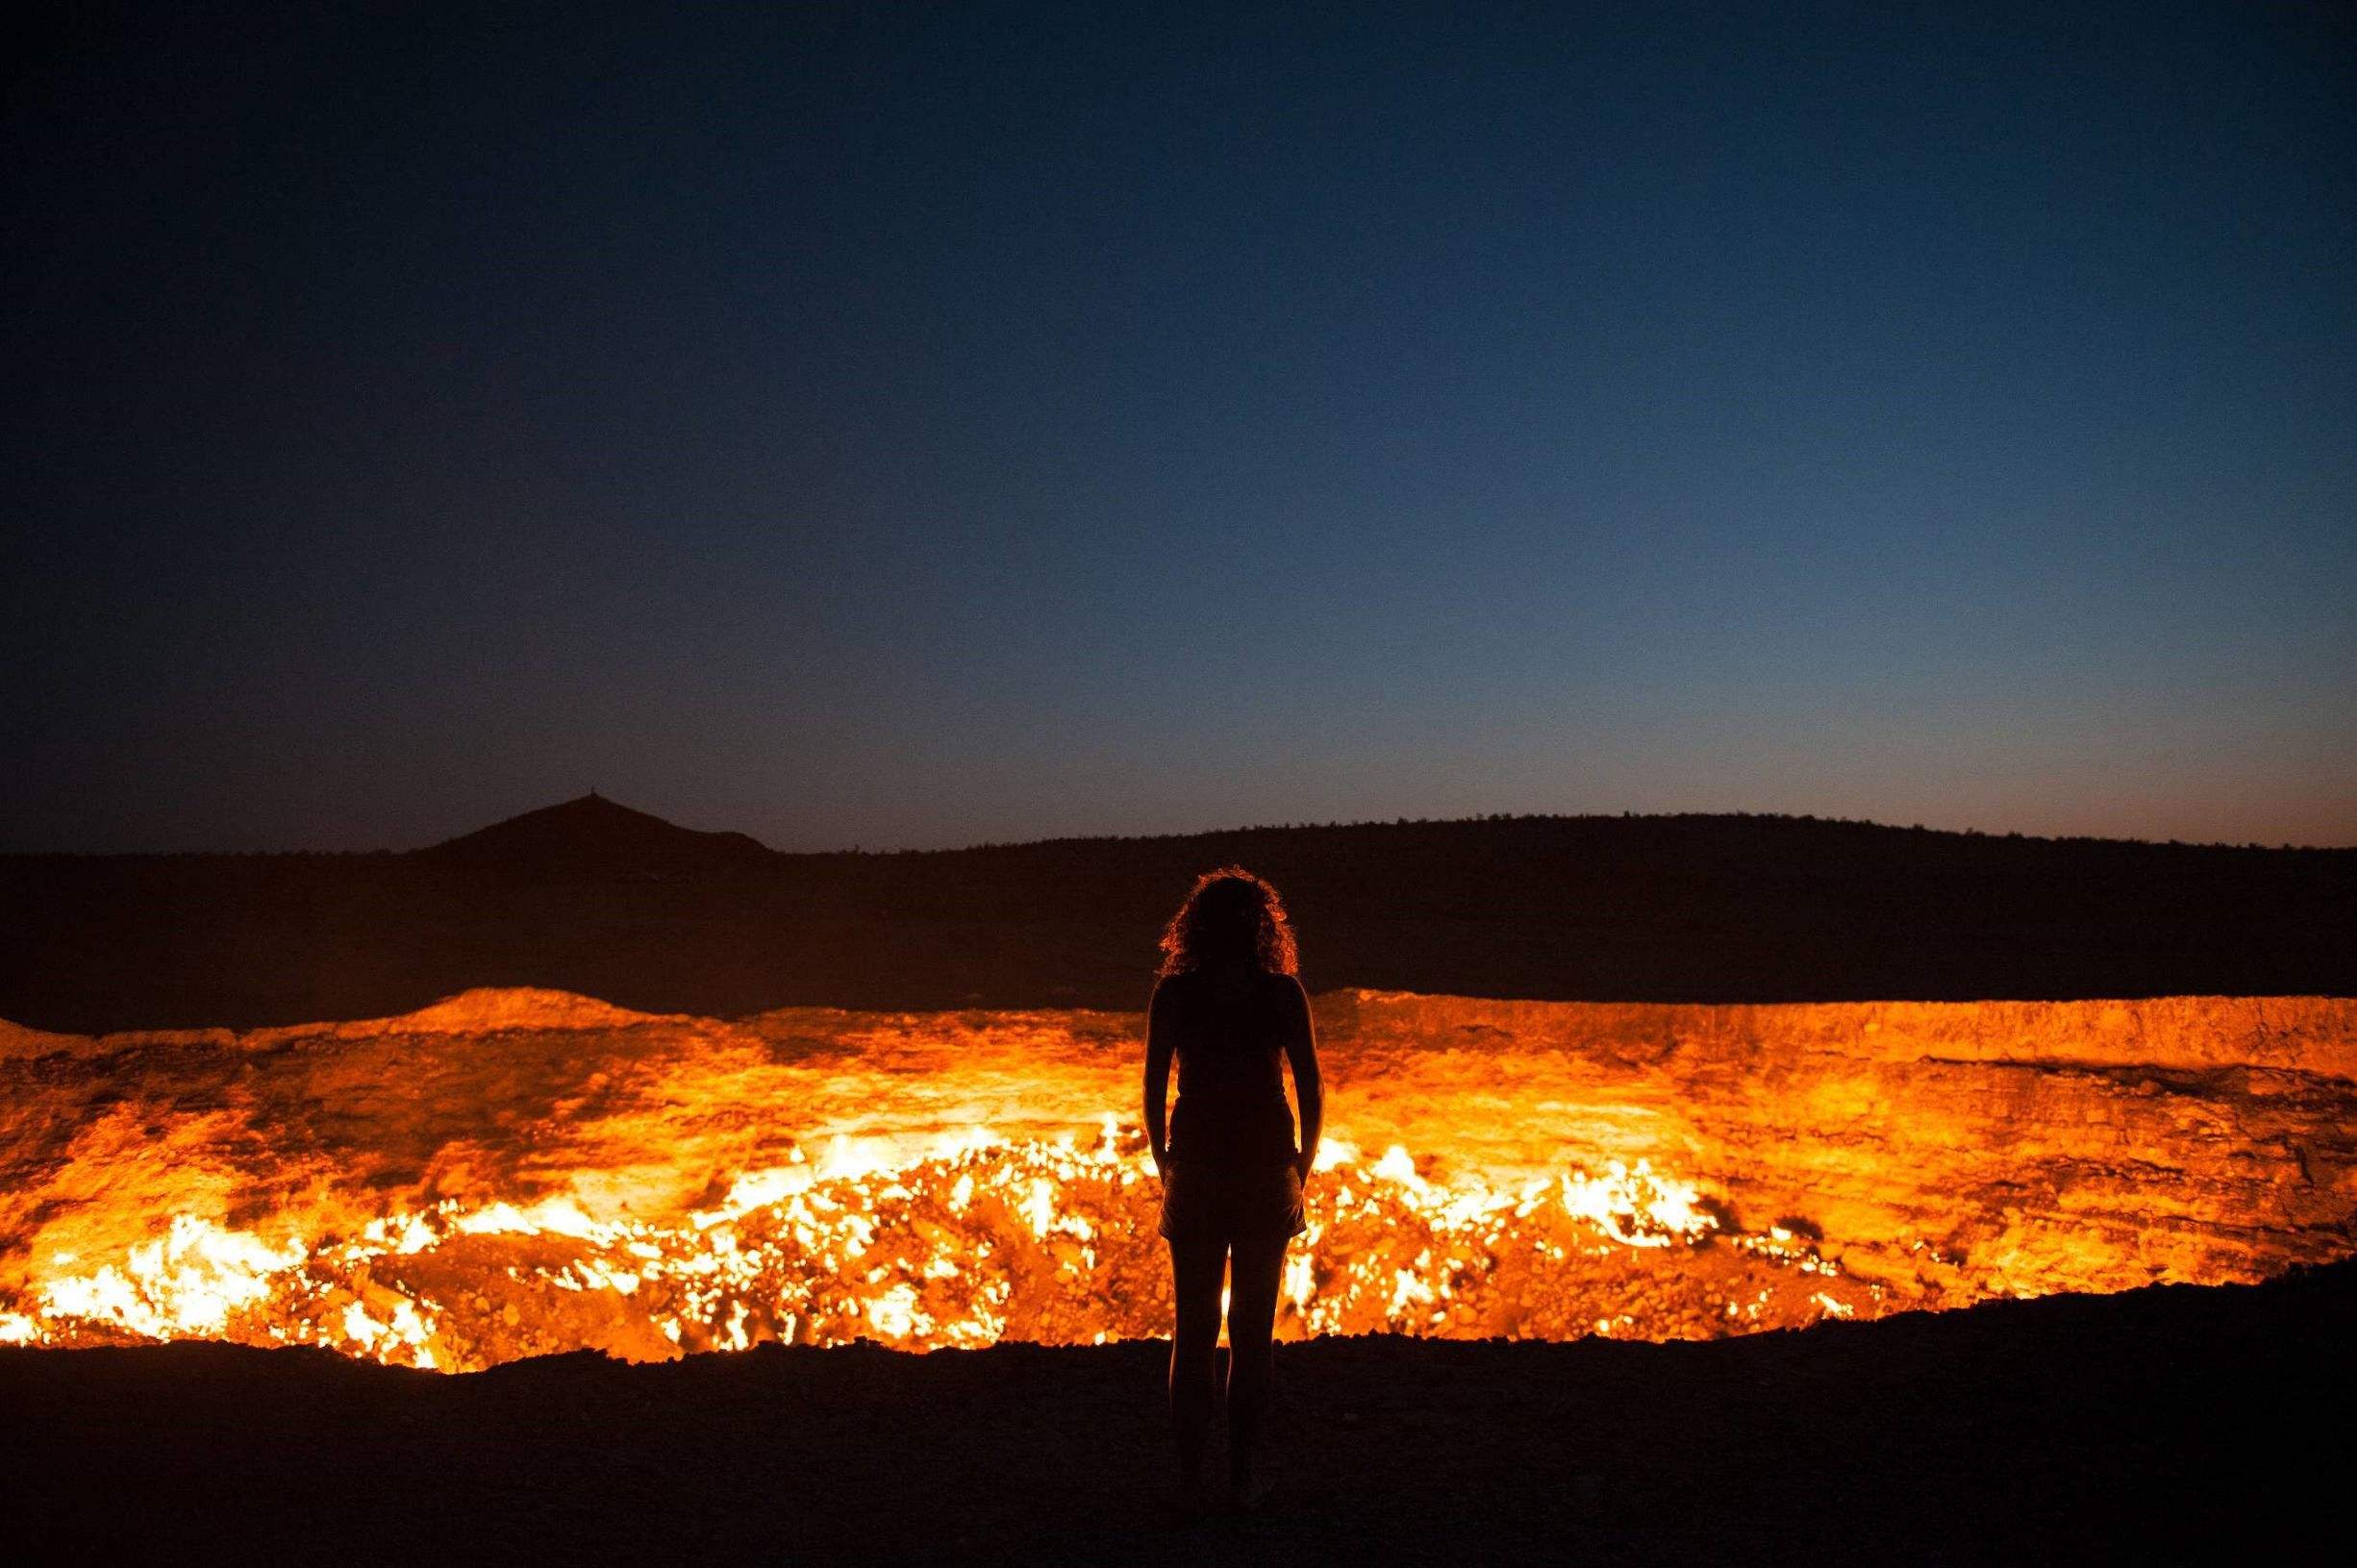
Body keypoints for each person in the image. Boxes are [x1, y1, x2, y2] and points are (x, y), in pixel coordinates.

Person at [1141, 865, 1323, 1509]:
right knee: (1252, 1332)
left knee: (1192, 1329)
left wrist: (1168, 1163)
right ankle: (1241, 1479)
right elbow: (1309, 1087)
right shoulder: (1281, 993)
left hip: (1195, 1166)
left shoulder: (1175, 994)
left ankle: (1189, 1482)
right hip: (1263, 1167)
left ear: (1193, 926)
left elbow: (1152, 1090)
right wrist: (1299, 1166)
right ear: (1261, 926)